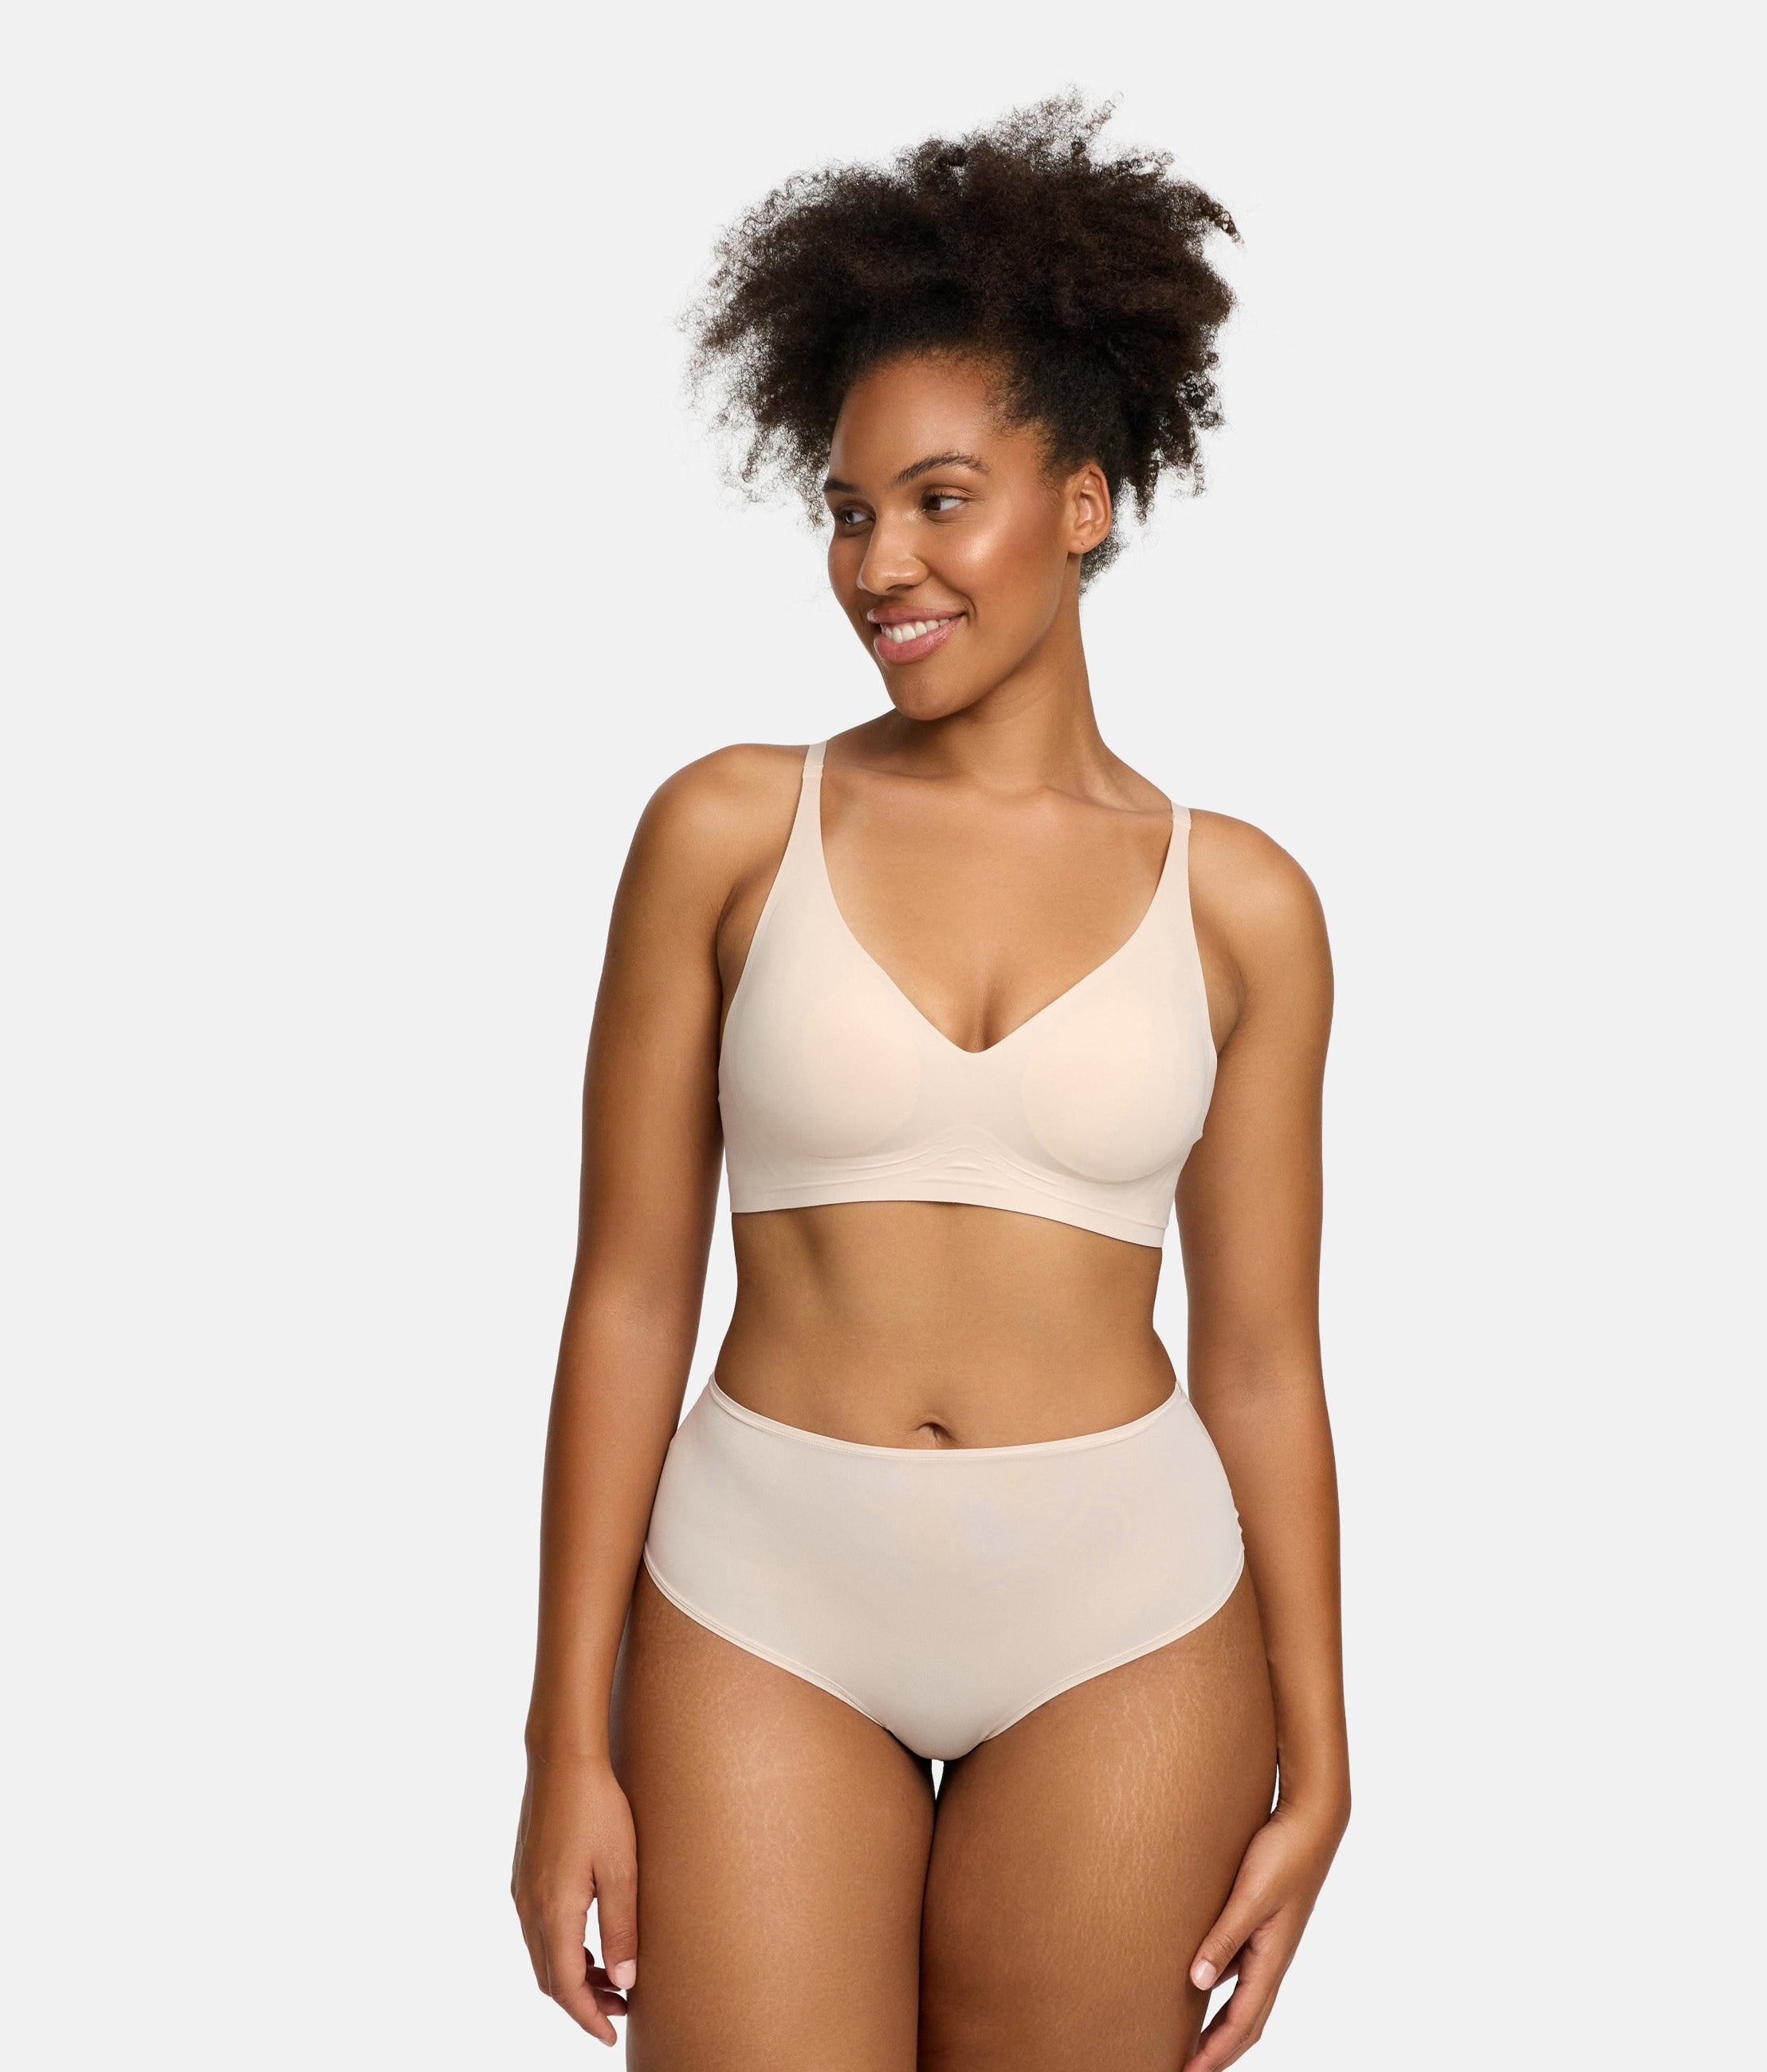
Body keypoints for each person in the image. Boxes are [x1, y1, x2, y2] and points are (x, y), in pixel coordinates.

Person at [511, 95, 1348, 2070]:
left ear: (1087, 500)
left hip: (1126, 1618)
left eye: (939, 499)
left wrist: (1323, 1757)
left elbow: (1260, 1360)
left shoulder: (1243, 902)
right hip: (760, 1599)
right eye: (846, 508)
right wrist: (561, 1743)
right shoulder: (727, 830)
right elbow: (626, 1296)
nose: (878, 561)